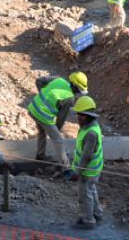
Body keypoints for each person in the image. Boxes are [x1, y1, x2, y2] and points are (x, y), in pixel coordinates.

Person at [27, 71, 88, 170]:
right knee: (58, 140)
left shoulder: (58, 79)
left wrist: (42, 94)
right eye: (79, 91)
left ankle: (40, 156)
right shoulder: (69, 98)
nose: (78, 93)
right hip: (43, 115)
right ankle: (66, 167)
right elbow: (61, 118)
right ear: (75, 87)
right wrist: (56, 130)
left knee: (41, 132)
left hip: (33, 108)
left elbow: (39, 81)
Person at [70, 96, 104, 230]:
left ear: (86, 116)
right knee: (91, 191)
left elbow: (87, 156)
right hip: (92, 169)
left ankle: (88, 220)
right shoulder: (90, 126)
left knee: (85, 195)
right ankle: (97, 214)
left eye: (80, 115)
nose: (77, 117)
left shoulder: (91, 133)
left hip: (88, 170)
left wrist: (77, 172)